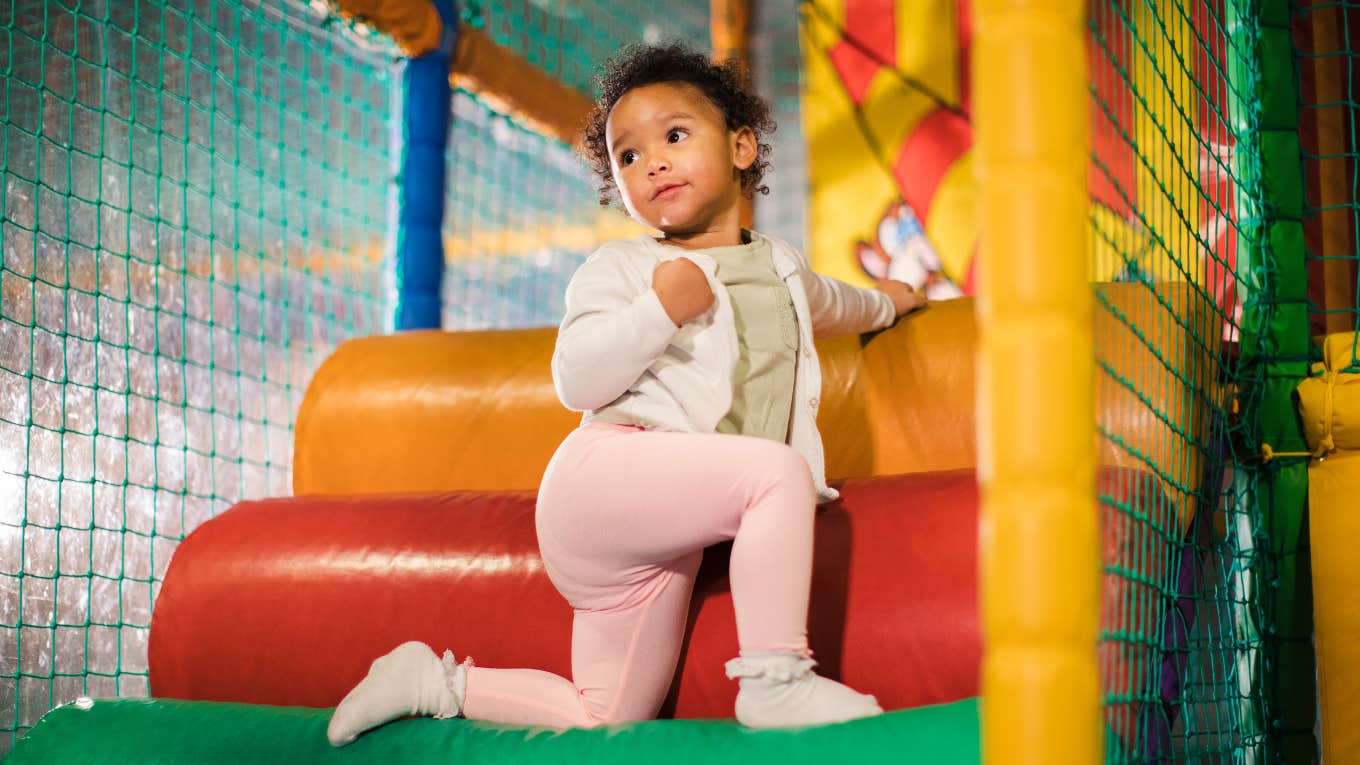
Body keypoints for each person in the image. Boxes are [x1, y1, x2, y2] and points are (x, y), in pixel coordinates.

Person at [327, 42, 925, 746]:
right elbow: (575, 377)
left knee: (605, 714)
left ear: (740, 147)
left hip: (664, 537)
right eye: (629, 156)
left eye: (674, 136)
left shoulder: (781, 266)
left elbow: (837, 304)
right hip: (603, 485)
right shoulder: (626, 267)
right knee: (777, 474)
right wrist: (658, 312)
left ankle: (432, 681)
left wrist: (895, 300)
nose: (653, 163)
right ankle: (775, 680)